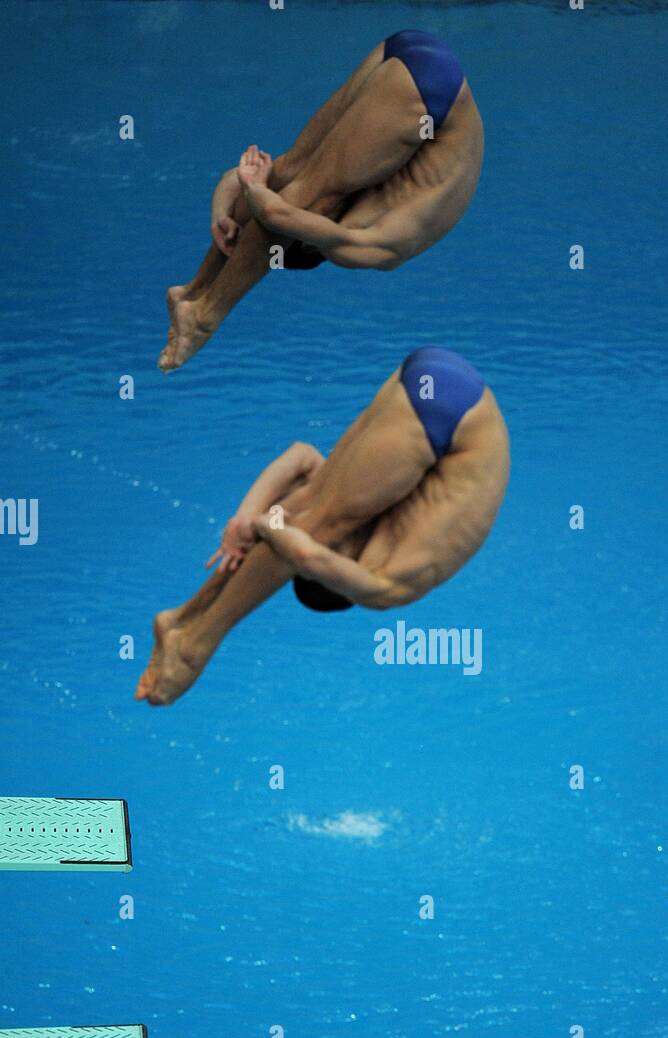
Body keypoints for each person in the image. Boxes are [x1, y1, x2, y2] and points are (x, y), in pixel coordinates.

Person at [136, 348, 509, 705]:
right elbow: (304, 551)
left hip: (434, 376)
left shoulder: (382, 560)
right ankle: (195, 645)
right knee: (311, 525)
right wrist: (260, 524)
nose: (341, 540)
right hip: (449, 412)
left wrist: (248, 519)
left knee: (308, 511)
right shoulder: (382, 585)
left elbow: (302, 459)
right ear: (339, 575)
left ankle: (184, 615)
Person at [159, 33, 484, 372]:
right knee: (299, 189)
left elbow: (266, 203)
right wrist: (233, 201)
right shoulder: (358, 238)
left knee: (293, 179)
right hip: (429, 93)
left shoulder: (360, 236)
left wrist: (228, 207)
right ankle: (200, 310)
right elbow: (267, 203)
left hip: (411, 59)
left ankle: (196, 297)